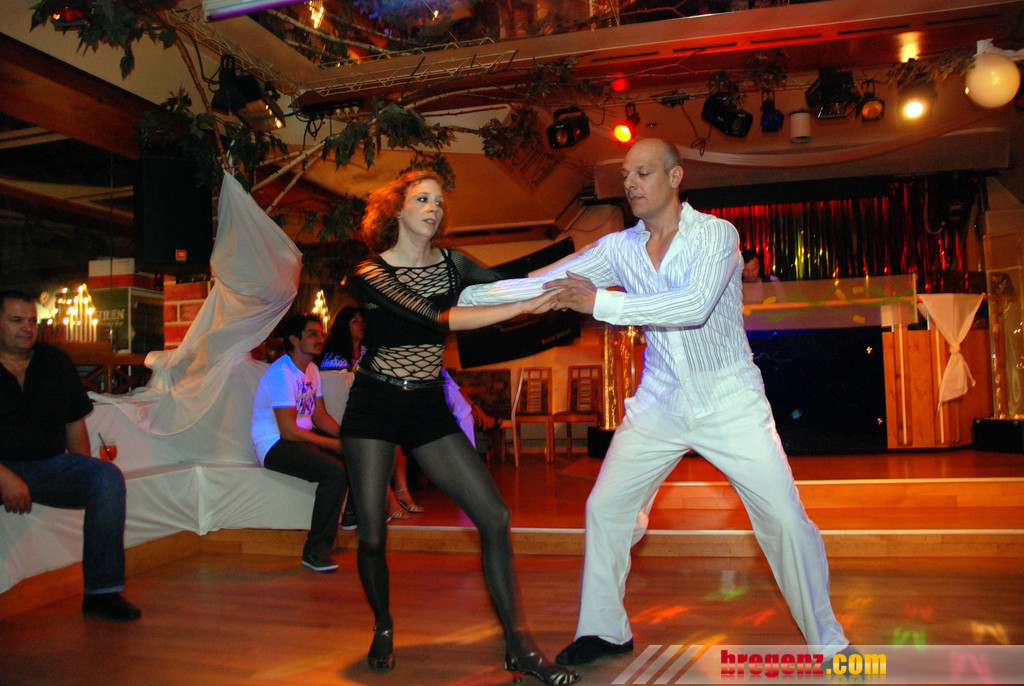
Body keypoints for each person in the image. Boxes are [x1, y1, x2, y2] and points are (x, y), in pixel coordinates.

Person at [458, 138, 850, 666]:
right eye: (625, 176)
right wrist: (459, 294)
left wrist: (599, 302)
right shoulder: (618, 248)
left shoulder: (716, 235)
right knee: (606, 508)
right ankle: (604, 631)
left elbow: (692, 305)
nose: (630, 184)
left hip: (729, 398)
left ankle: (828, 642)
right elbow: (544, 284)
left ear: (674, 176)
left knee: (783, 518)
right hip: (659, 399)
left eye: (642, 173)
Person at [339, 170, 578, 684]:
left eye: (439, 202)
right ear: (397, 210)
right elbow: (432, 317)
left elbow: (508, 284)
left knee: (494, 516)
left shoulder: (454, 264)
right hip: (374, 403)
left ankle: (519, 646)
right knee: (373, 535)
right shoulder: (371, 271)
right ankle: (383, 625)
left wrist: (569, 278)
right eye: (422, 199)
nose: (434, 208)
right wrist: (523, 304)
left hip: (427, 403)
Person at [0, 289, 141, 621]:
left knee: (105, 478)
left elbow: (73, 421)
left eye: (32, 321)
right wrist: (5, 478)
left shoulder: (54, 363)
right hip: (2, 468)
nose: (28, 328)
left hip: (46, 465)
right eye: (17, 320)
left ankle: (102, 593)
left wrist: (83, 469)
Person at [251, 313, 349, 573]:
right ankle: (315, 552)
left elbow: (320, 417)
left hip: (297, 438)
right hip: (274, 445)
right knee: (335, 472)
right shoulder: (282, 373)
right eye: (312, 334)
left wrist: (346, 438)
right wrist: (332, 445)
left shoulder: (312, 370)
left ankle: (351, 514)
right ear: (294, 339)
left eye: (321, 333)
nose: (320, 339)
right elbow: (288, 432)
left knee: (355, 452)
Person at [321, 306, 423, 522]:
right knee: (376, 442)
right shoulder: (333, 356)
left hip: (367, 410)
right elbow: (339, 387)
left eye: (362, 320)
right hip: (341, 415)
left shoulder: (369, 352)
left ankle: (402, 491)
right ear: (344, 325)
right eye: (354, 321)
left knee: (394, 438)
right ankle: (391, 500)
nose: (361, 325)